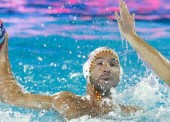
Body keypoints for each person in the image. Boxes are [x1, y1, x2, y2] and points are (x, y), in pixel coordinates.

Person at [0, 0, 169, 121]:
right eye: (99, 63)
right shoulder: (66, 102)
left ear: (120, 76)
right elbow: (12, 97)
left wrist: (131, 37)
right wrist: (2, 54)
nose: (106, 68)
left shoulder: (131, 113)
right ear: (86, 72)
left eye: (113, 64)